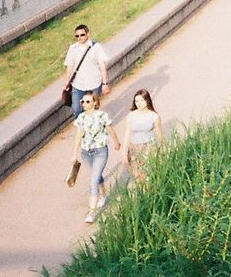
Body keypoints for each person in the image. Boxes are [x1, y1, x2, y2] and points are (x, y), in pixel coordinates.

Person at [71, 91, 120, 223]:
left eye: (87, 101)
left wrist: (116, 142)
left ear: (95, 102)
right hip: (86, 152)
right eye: (82, 101)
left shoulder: (102, 115)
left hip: (100, 151)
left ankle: (91, 213)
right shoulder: (81, 118)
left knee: (93, 181)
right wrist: (74, 154)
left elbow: (110, 130)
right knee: (96, 175)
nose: (84, 104)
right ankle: (103, 194)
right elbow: (78, 136)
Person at [64, 24, 109, 117]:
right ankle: (82, 128)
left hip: (94, 83)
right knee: (77, 109)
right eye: (77, 36)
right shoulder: (73, 48)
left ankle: (92, 127)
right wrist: (67, 82)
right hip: (78, 83)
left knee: (93, 108)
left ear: (88, 34)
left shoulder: (96, 47)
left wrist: (105, 83)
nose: (80, 37)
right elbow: (69, 66)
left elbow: (102, 65)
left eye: (82, 35)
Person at [120, 88, 164, 184]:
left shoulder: (154, 116)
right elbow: (127, 135)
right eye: (136, 101)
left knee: (148, 175)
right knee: (137, 176)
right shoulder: (131, 116)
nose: (139, 103)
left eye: (141, 100)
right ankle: (143, 195)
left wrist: (164, 150)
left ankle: (149, 194)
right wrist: (124, 153)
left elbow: (160, 135)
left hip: (149, 147)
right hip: (134, 148)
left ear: (147, 100)